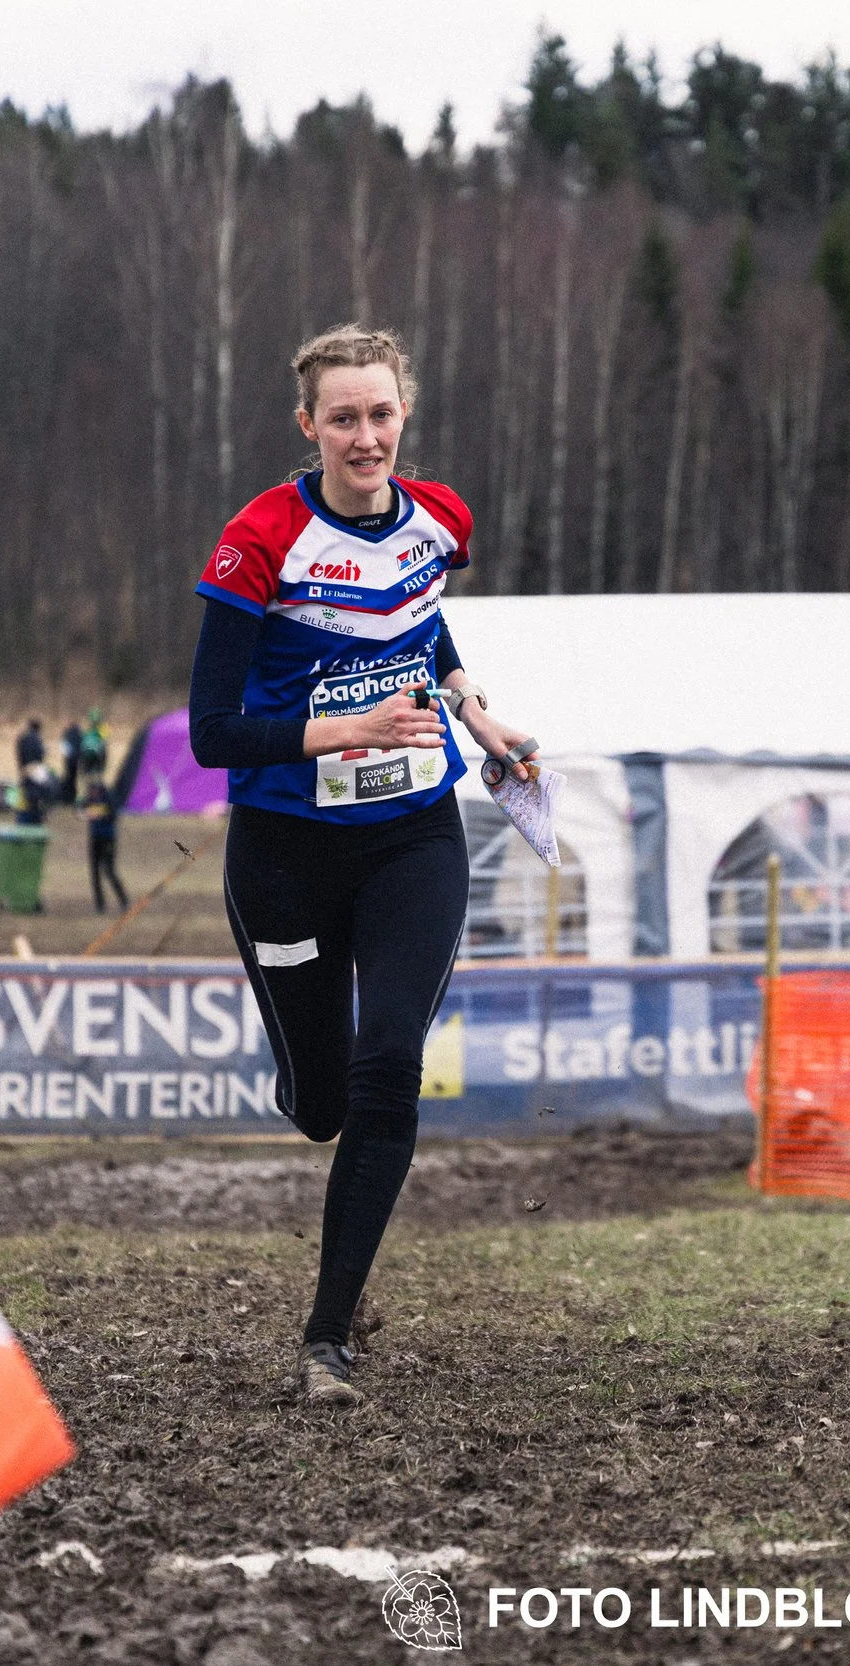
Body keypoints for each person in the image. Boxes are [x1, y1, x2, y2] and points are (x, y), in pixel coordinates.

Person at [192, 323, 539, 1409]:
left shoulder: (440, 520)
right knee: (323, 1103)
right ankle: (308, 1080)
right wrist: (343, 730)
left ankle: (327, 1337)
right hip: (285, 853)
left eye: (380, 413)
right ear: (309, 425)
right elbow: (210, 732)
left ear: (404, 414)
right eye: (342, 417)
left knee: (391, 1063)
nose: (364, 436)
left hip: (411, 835)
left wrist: (475, 711)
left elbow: (424, 625)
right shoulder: (260, 539)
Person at [82, 777, 127, 913]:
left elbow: (113, 814)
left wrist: (100, 814)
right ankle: (100, 904)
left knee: (109, 870)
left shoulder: (108, 797)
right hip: (95, 837)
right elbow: (81, 810)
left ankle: (123, 900)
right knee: (95, 872)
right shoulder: (89, 799)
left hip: (108, 838)